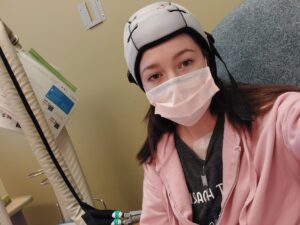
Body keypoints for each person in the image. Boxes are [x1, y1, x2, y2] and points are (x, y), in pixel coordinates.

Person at [123, 2, 300, 225]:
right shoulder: (157, 160)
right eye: (155, 76)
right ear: (144, 88)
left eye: (185, 62)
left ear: (208, 60)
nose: (175, 84)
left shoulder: (277, 118)